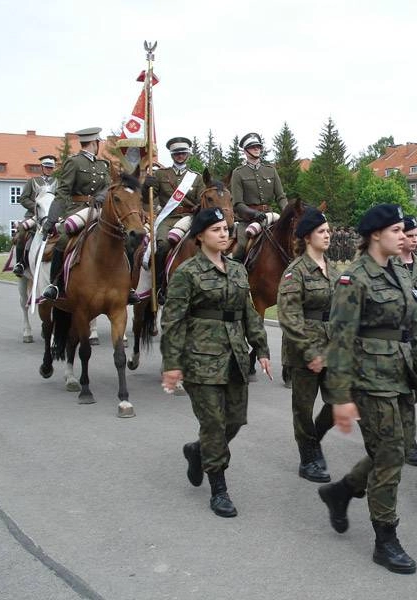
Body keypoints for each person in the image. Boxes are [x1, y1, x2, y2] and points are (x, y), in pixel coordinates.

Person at [316, 204, 417, 575]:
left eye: (404, 230)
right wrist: (340, 398)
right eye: (397, 230)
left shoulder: (400, 273)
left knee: (394, 451)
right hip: (369, 380)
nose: (404, 236)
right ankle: (385, 539)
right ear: (375, 235)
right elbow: (339, 340)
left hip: (400, 378)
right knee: (389, 457)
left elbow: (415, 330)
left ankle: (341, 491)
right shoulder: (355, 279)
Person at [160, 207, 271, 518]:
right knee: (213, 424)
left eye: (226, 229)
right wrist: (172, 364)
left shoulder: (237, 270)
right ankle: (219, 488)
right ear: (199, 237)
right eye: (216, 230)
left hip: (235, 357)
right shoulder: (187, 274)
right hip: (201, 360)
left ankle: (197, 451)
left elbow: (248, 312)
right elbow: (173, 321)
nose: (224, 234)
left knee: (234, 421)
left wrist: (261, 348)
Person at [277, 207, 337, 483]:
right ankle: (307, 458)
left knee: (340, 400)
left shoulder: (334, 269)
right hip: (305, 350)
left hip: (333, 347)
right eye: (322, 232)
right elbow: (289, 317)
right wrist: (309, 352)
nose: (328, 235)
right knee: (303, 407)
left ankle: (315, 439)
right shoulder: (296, 271)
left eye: (328, 231)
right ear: (307, 237)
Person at [42, 128, 132, 301]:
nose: (99, 145)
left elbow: (109, 186)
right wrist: (52, 219)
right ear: (94, 143)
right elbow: (63, 192)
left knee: (124, 237)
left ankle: (128, 286)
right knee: (63, 240)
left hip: (99, 209)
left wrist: (102, 194)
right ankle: (56, 284)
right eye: (98, 143)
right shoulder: (73, 162)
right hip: (77, 209)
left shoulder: (102, 164)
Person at [143, 137, 205, 290]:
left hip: (189, 218)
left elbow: (202, 200)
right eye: (177, 153)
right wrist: (146, 186)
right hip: (168, 218)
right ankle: (159, 284)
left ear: (188, 155)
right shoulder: (161, 175)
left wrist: (198, 207)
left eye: (183, 153)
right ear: (172, 155)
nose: (180, 156)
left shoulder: (196, 177)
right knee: (163, 245)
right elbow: (147, 199)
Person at [394, 216, 417, 467]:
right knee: (403, 392)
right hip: (396, 339)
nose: (415, 240)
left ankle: (397, 427)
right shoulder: (388, 265)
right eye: (410, 236)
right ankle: (408, 442)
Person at [230, 132, 287, 261]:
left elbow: (281, 197)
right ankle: (238, 277)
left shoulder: (270, 170)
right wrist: (254, 214)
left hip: (270, 217)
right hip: (248, 220)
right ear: (245, 151)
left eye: (258, 146)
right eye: (252, 147)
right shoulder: (238, 173)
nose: (256, 149)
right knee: (241, 247)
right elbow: (238, 204)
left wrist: (286, 211)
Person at [13, 154, 57, 277]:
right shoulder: (32, 181)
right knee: (22, 231)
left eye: (51, 167)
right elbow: (23, 198)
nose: (49, 169)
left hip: (52, 215)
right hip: (34, 215)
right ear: (41, 167)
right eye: (47, 167)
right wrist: (37, 208)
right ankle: (20, 263)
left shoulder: (57, 182)